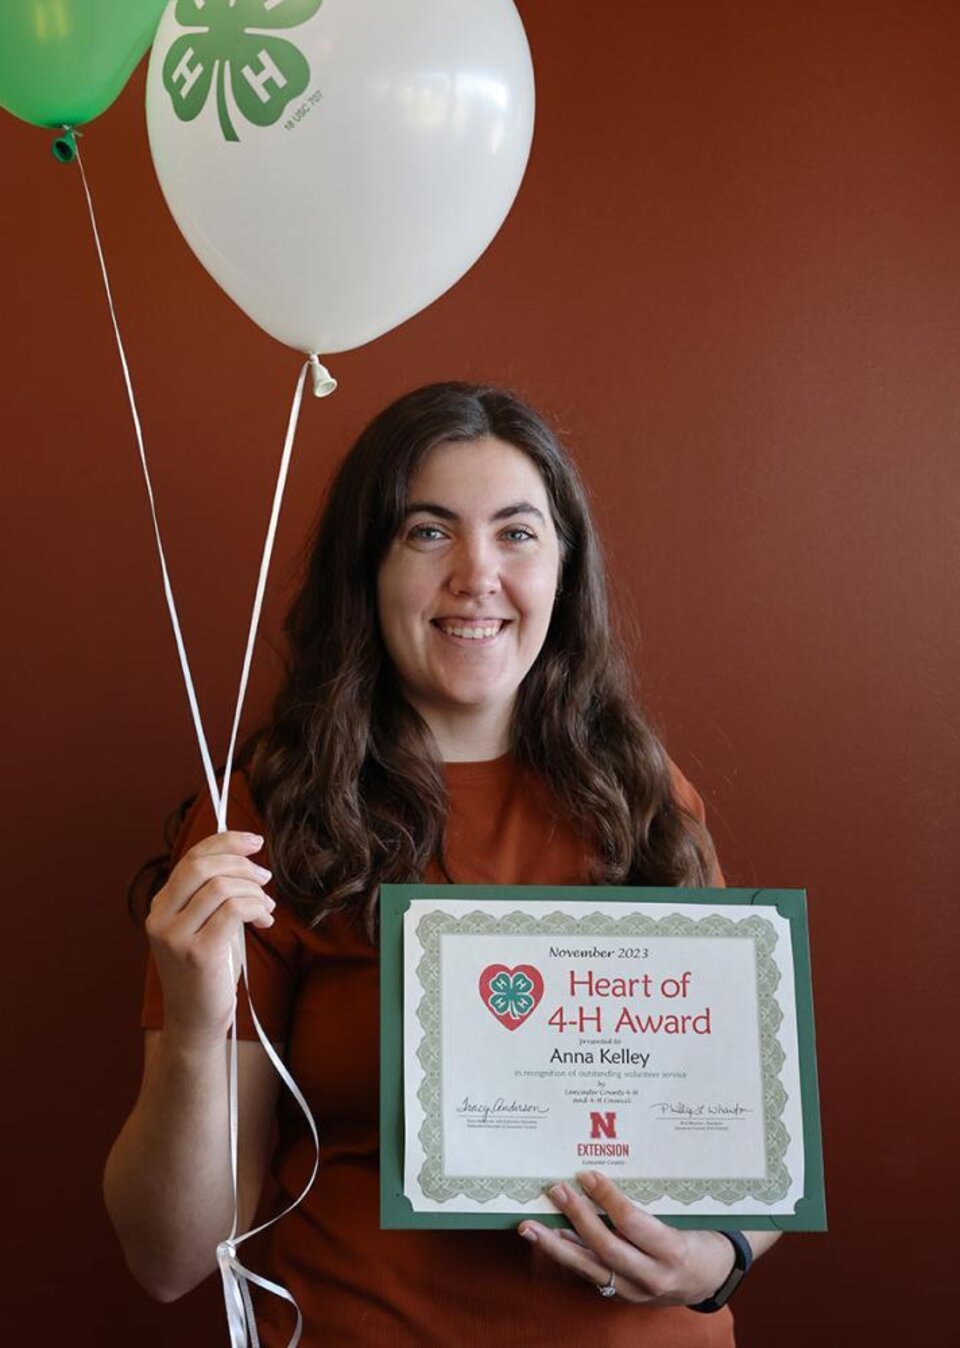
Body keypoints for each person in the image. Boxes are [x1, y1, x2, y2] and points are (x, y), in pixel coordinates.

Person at [104, 382, 780, 1346]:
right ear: (367, 567)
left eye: (517, 533)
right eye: (429, 532)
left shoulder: (645, 795)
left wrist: (717, 1261)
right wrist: (193, 1030)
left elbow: (749, 1147)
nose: (477, 574)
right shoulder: (267, 822)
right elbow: (169, 1259)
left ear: (564, 569)